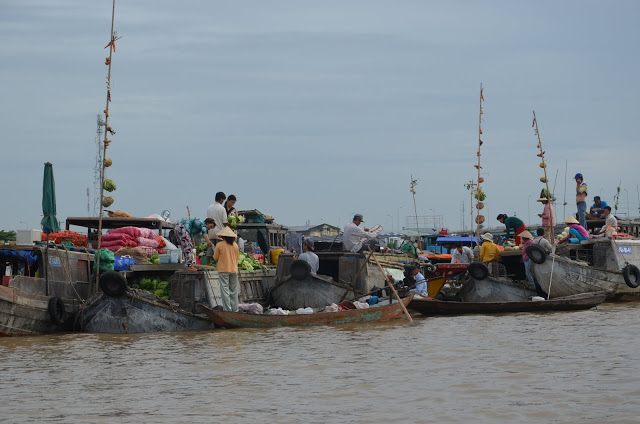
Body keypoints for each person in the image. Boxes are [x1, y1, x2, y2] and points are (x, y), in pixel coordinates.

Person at [213, 227, 240, 312]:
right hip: (234, 270)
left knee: (225, 291)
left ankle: (227, 310)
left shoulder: (219, 245)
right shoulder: (235, 245)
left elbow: (215, 257)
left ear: (223, 237)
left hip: (223, 270)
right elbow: (237, 258)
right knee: (233, 291)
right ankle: (235, 309)